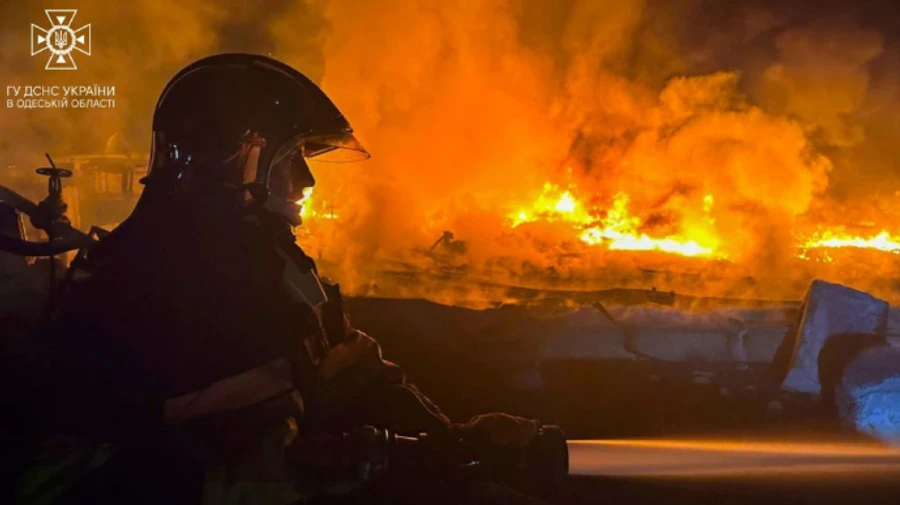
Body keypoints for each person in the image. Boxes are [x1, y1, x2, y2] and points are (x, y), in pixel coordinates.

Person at [20, 54, 540, 505]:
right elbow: (91, 471)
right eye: (293, 159)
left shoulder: (276, 262)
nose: (307, 181)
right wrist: (303, 473)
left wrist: (454, 439)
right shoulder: (134, 279)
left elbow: (351, 368)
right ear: (242, 158)